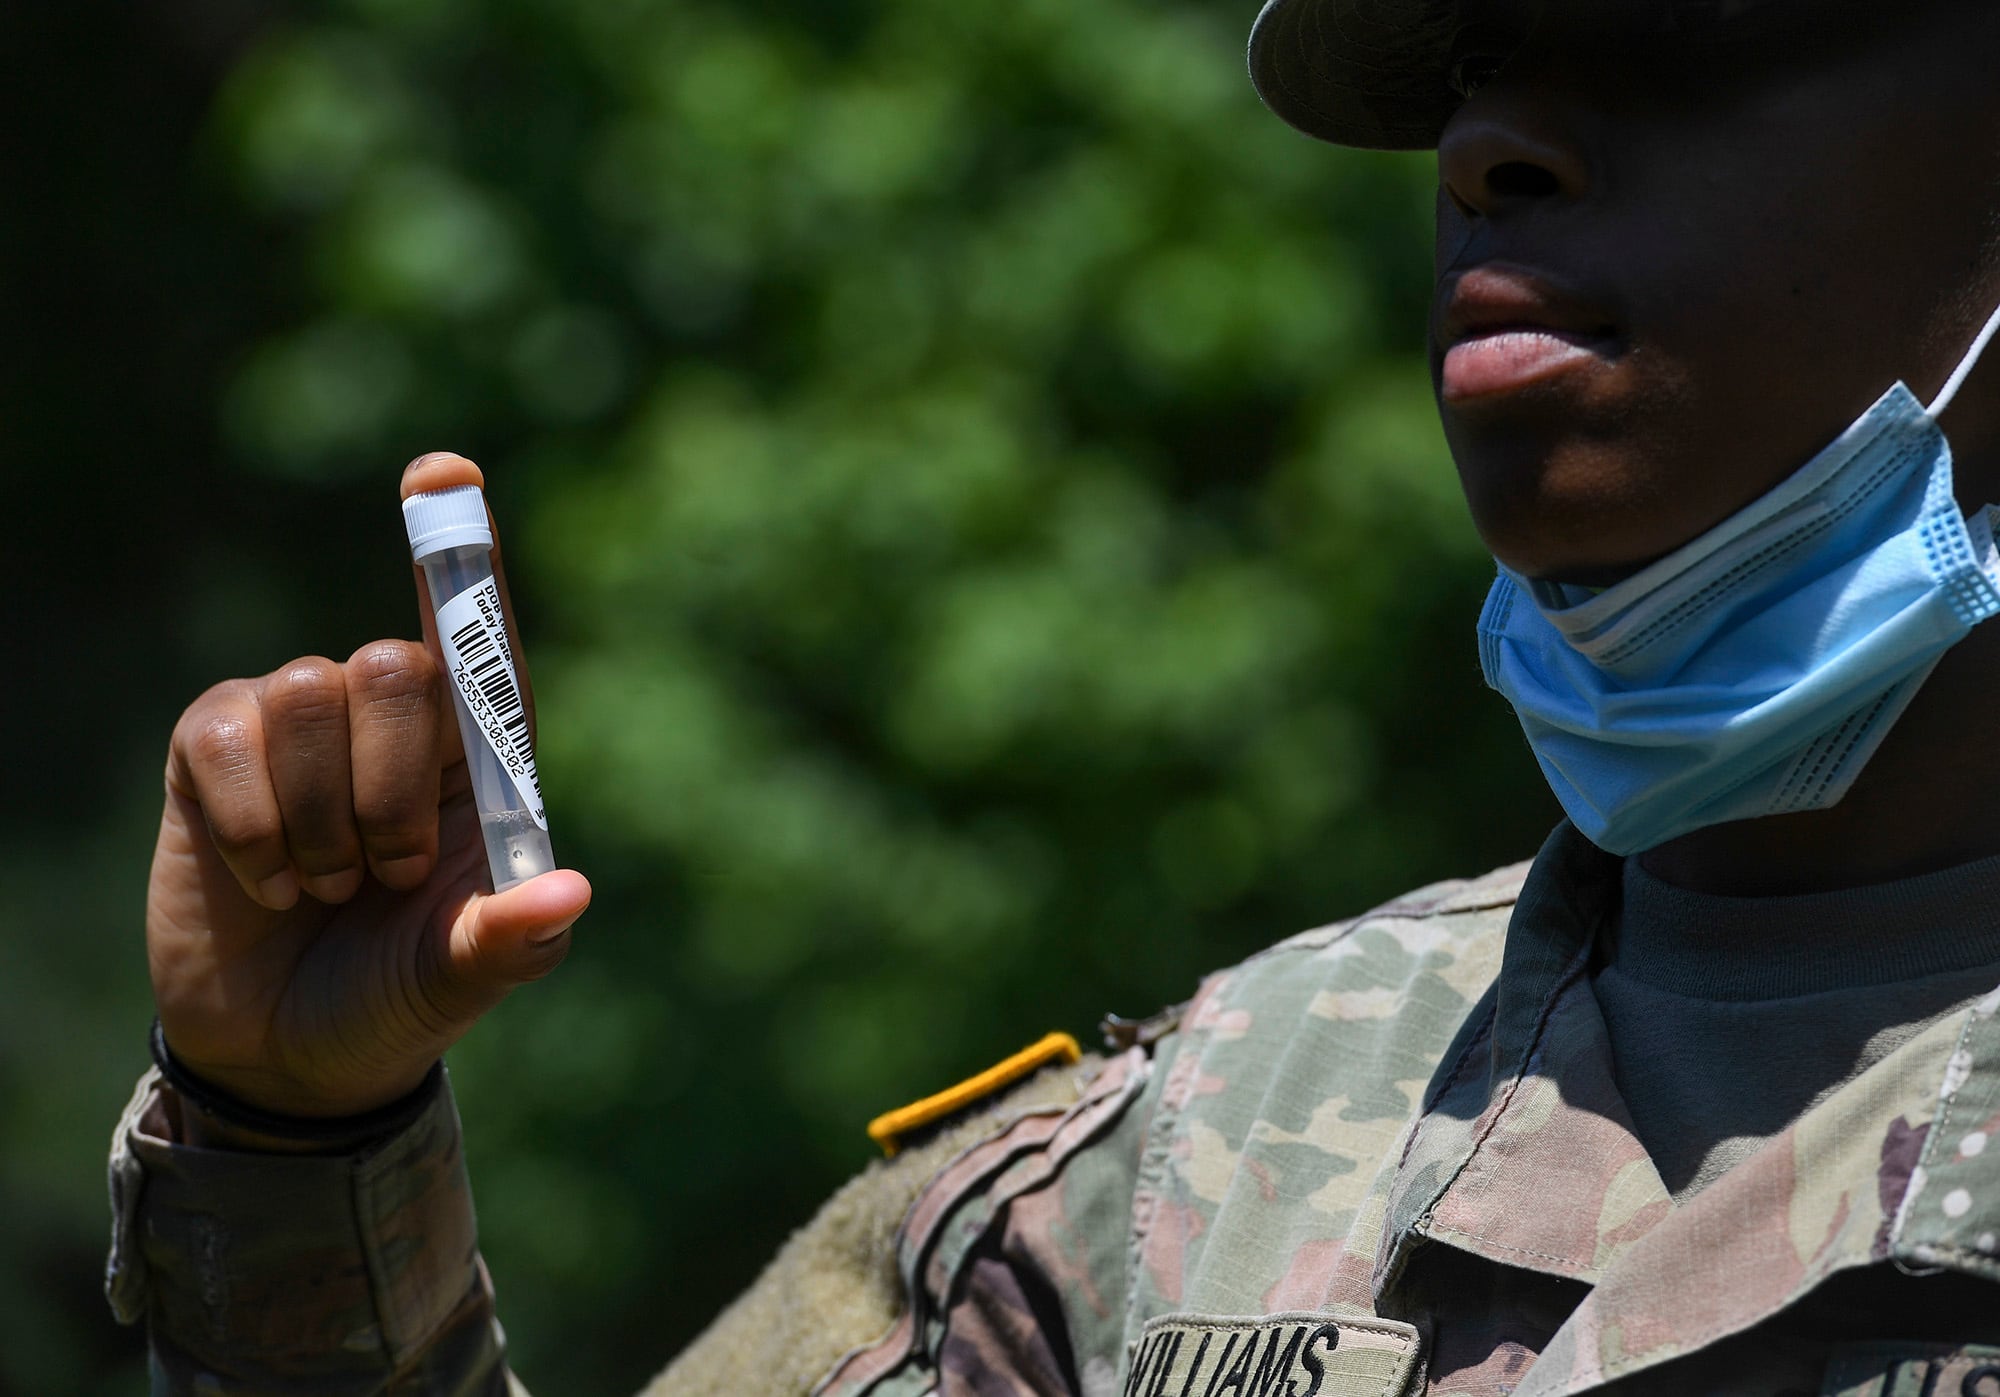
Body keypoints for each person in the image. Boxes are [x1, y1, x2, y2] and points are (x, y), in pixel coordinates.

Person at [106, 0, 2000, 1391]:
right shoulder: (1215, 1141)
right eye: (1464, 81)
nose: (1489, 148)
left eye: (1673, 36)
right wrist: (298, 1153)